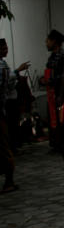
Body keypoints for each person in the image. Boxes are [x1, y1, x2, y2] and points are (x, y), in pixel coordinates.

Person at [0, 39, 29, 193]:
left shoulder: (2, 66)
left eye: (6, 47)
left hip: (4, 107)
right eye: (3, 47)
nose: (6, 49)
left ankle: (9, 180)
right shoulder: (3, 66)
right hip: (5, 107)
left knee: (4, 146)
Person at [40, 29, 64, 153]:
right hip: (51, 94)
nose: (46, 43)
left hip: (60, 94)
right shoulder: (51, 58)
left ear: (55, 42)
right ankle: (56, 143)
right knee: (53, 119)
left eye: (48, 41)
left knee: (61, 119)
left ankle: (63, 144)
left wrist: (51, 80)